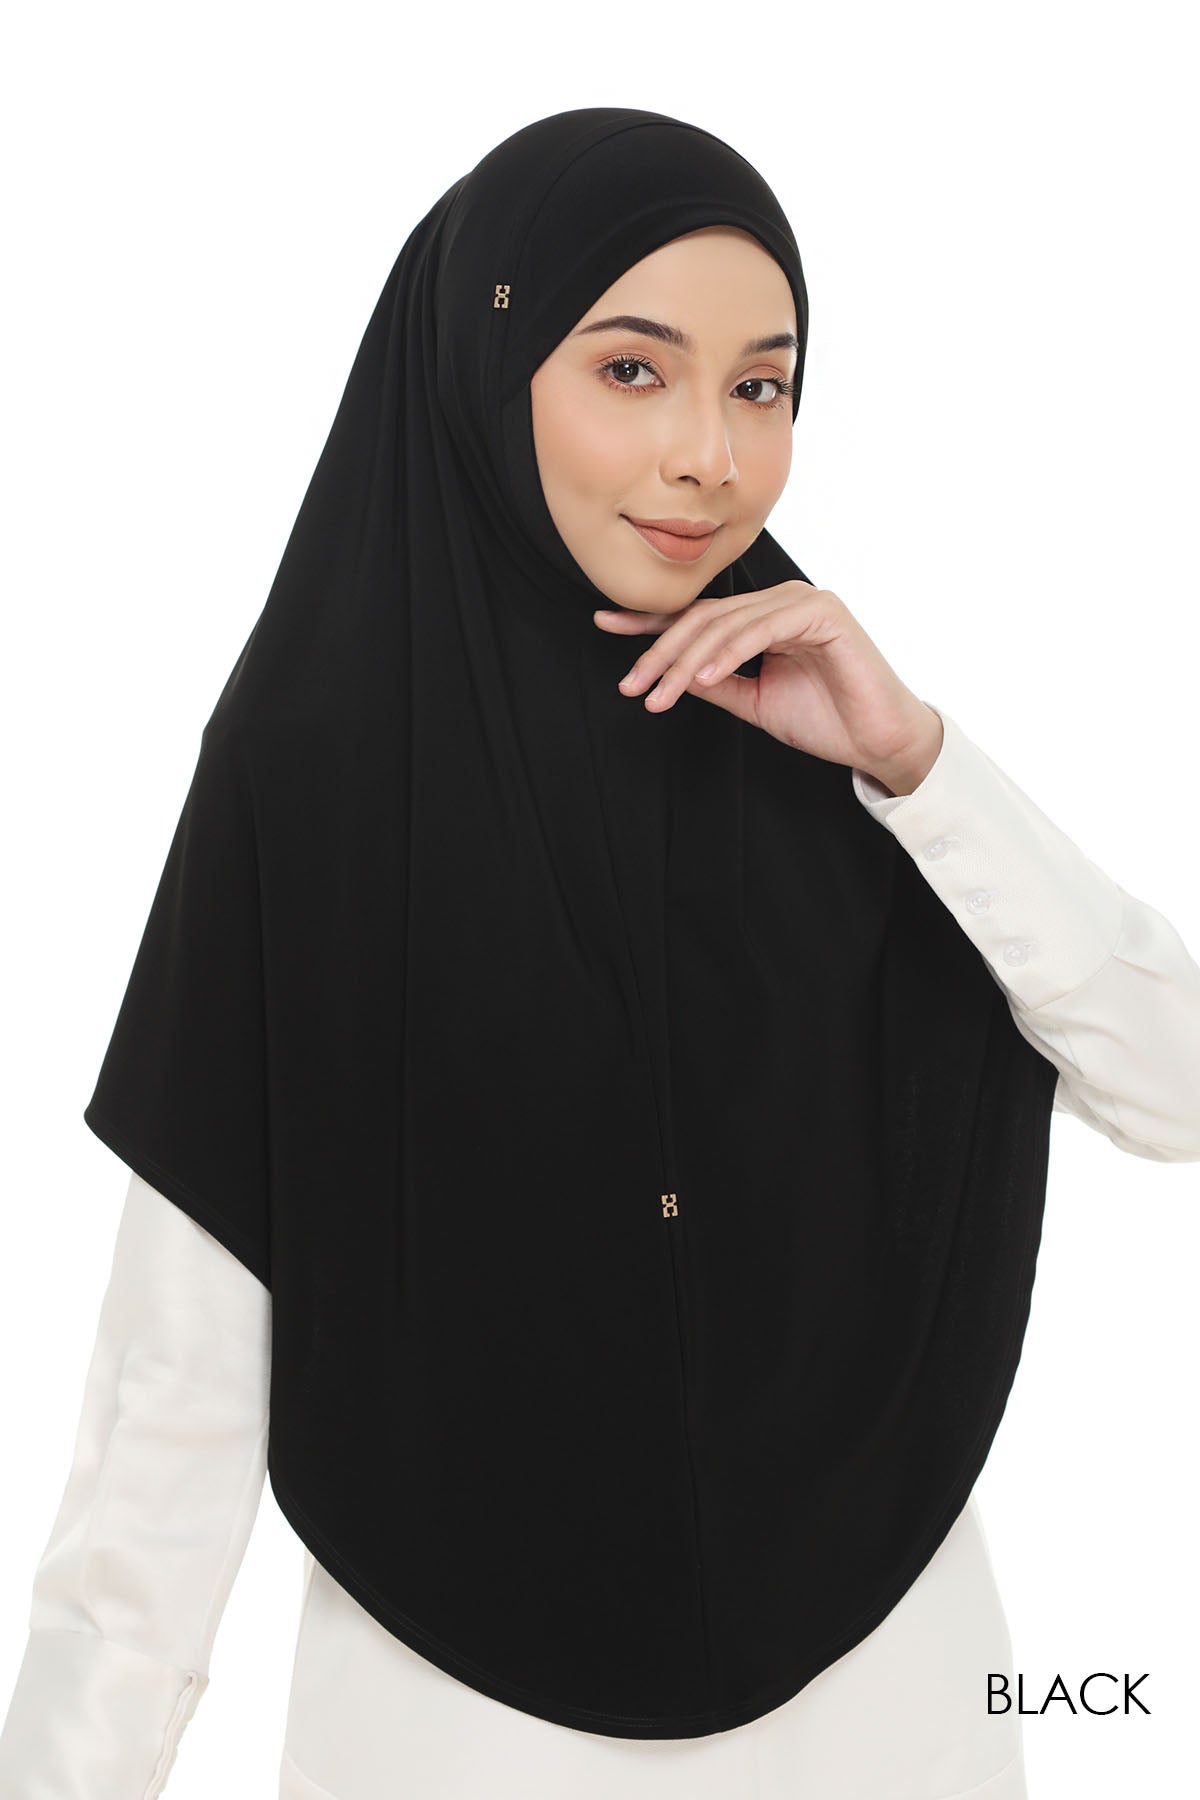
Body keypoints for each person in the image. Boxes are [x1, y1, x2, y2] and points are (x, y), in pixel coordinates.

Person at [2, 106, 1198, 1800]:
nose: (713, 454)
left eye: (763, 386)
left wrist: (918, 767)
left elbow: (1175, 1089)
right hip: (457, 1738)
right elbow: (171, 1405)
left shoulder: (843, 762)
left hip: (889, 1722)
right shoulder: (320, 781)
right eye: (633, 370)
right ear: (486, 374)